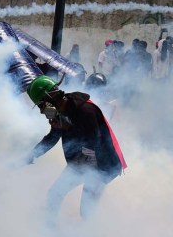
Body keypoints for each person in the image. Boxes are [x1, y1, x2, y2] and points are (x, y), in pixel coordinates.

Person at [25, 76, 127, 221]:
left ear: (50, 97)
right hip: (83, 159)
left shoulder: (86, 110)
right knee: (55, 194)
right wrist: (31, 155)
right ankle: (48, 232)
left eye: (42, 105)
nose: (42, 111)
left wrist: (69, 127)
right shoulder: (60, 113)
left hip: (104, 164)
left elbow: (93, 142)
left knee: (86, 209)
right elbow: (52, 138)